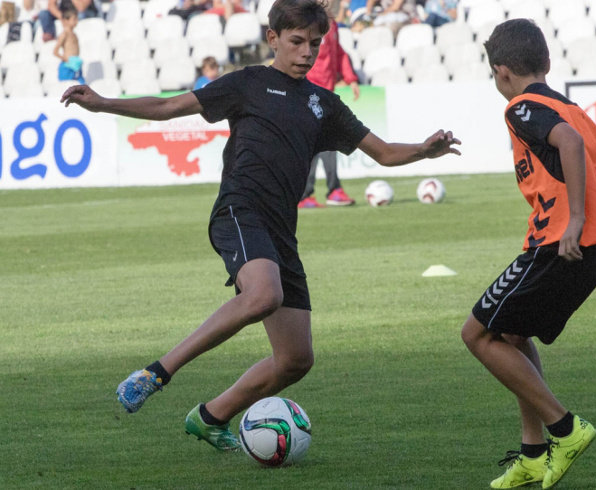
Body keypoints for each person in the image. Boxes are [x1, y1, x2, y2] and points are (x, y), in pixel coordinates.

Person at [61, 0, 460, 452]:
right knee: (263, 294)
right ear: (273, 39)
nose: (307, 52)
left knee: (295, 360)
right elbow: (170, 106)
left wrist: (424, 151)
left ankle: (210, 417)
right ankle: (157, 372)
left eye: (314, 43)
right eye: (296, 42)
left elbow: (384, 152)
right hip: (240, 209)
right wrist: (103, 104)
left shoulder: (323, 104)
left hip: (280, 231)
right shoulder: (248, 83)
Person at [459, 19, 596, 489]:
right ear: (548, 63)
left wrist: (574, 220)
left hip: (559, 245)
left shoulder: (522, 107)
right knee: (512, 334)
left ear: (501, 72)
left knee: (475, 334)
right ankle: (534, 453)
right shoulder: (577, 111)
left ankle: (564, 429)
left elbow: (567, 145)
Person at [299, 14, 360, 208]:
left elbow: (338, 53)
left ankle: (330, 191)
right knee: (314, 145)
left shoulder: (331, 24)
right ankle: (306, 194)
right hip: (309, 91)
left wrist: (351, 79)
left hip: (326, 92)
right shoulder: (306, 22)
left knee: (327, 143)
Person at [54, 5, 84, 83]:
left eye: (77, 19)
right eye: (74, 19)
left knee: (81, 87)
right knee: (67, 89)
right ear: (66, 20)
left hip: (76, 65)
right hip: (67, 66)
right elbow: (55, 52)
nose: (76, 21)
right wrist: (67, 60)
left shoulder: (74, 34)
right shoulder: (64, 34)